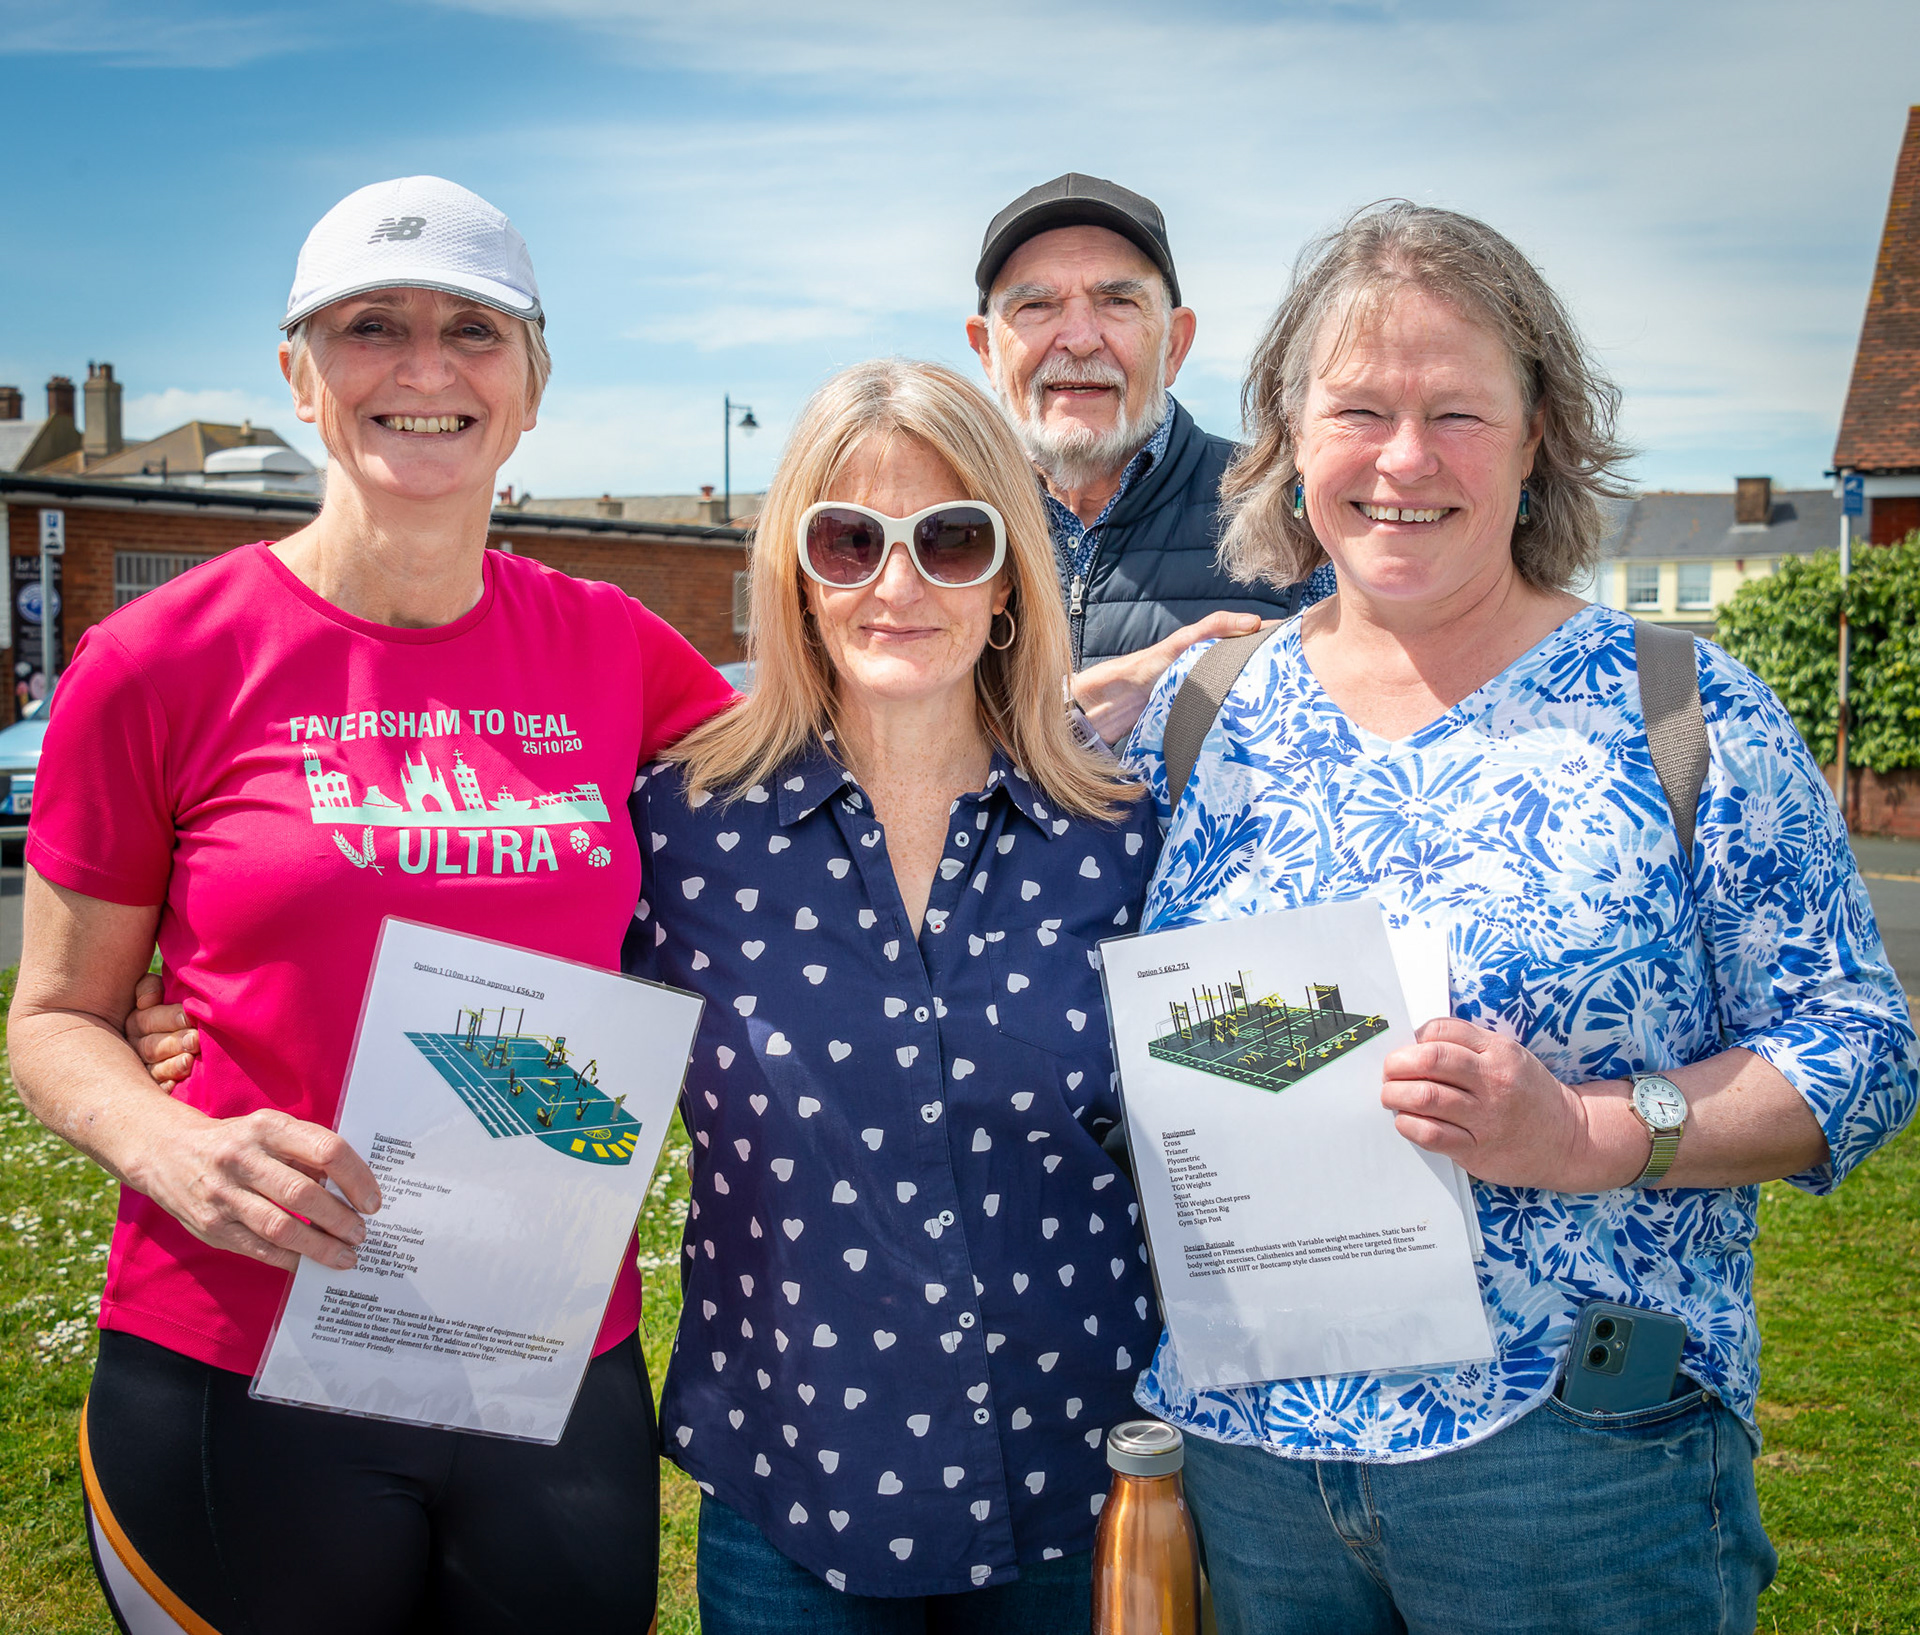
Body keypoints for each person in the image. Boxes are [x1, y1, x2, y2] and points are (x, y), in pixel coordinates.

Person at [1127, 201, 1918, 1634]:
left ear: (1541, 428)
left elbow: (1859, 1047)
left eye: (1457, 412)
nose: (1404, 458)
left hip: (1574, 1454)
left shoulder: (1683, 709)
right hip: (1252, 1465)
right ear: (1290, 434)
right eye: (1358, 408)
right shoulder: (1200, 718)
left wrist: (1592, 1131)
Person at [9, 175, 732, 1635]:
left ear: (531, 384)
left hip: (544, 1344)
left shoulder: (617, 650)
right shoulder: (155, 662)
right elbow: (56, 1019)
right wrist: (172, 1141)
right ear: (297, 374)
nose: (424, 368)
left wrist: (1098, 693)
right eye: (369, 328)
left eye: (475, 329)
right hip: (239, 1347)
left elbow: (845, 774)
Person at [628, 358, 1162, 1630]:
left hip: (1076, 1484)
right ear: (797, 577)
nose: (898, 582)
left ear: (1010, 577)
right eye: (851, 538)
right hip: (794, 1487)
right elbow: (529, 1036)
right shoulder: (681, 833)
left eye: (952, 538)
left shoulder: (1128, 835)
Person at [966, 172, 1335, 744]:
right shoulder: (935, 527)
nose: (1081, 338)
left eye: (1117, 302)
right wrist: (1068, 715)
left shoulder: (1294, 513)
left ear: (1175, 344)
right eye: (1036, 305)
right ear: (987, 350)